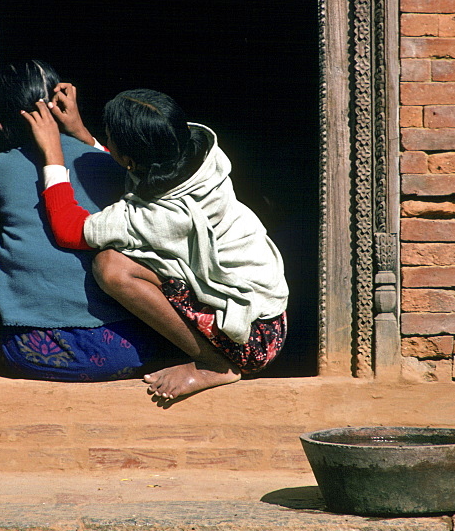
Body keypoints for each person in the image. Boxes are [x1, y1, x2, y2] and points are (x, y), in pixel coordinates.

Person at [21, 87, 289, 402]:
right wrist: (80, 132)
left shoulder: (158, 216)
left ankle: (215, 365)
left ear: (129, 160)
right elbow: (139, 166)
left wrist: (53, 152)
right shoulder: (204, 159)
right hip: (269, 310)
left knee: (112, 267)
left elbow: (69, 229)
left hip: (251, 337)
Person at [0, 62, 174, 381]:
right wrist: (80, 134)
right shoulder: (108, 162)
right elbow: (112, 165)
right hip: (136, 346)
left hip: (39, 349)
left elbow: (65, 230)